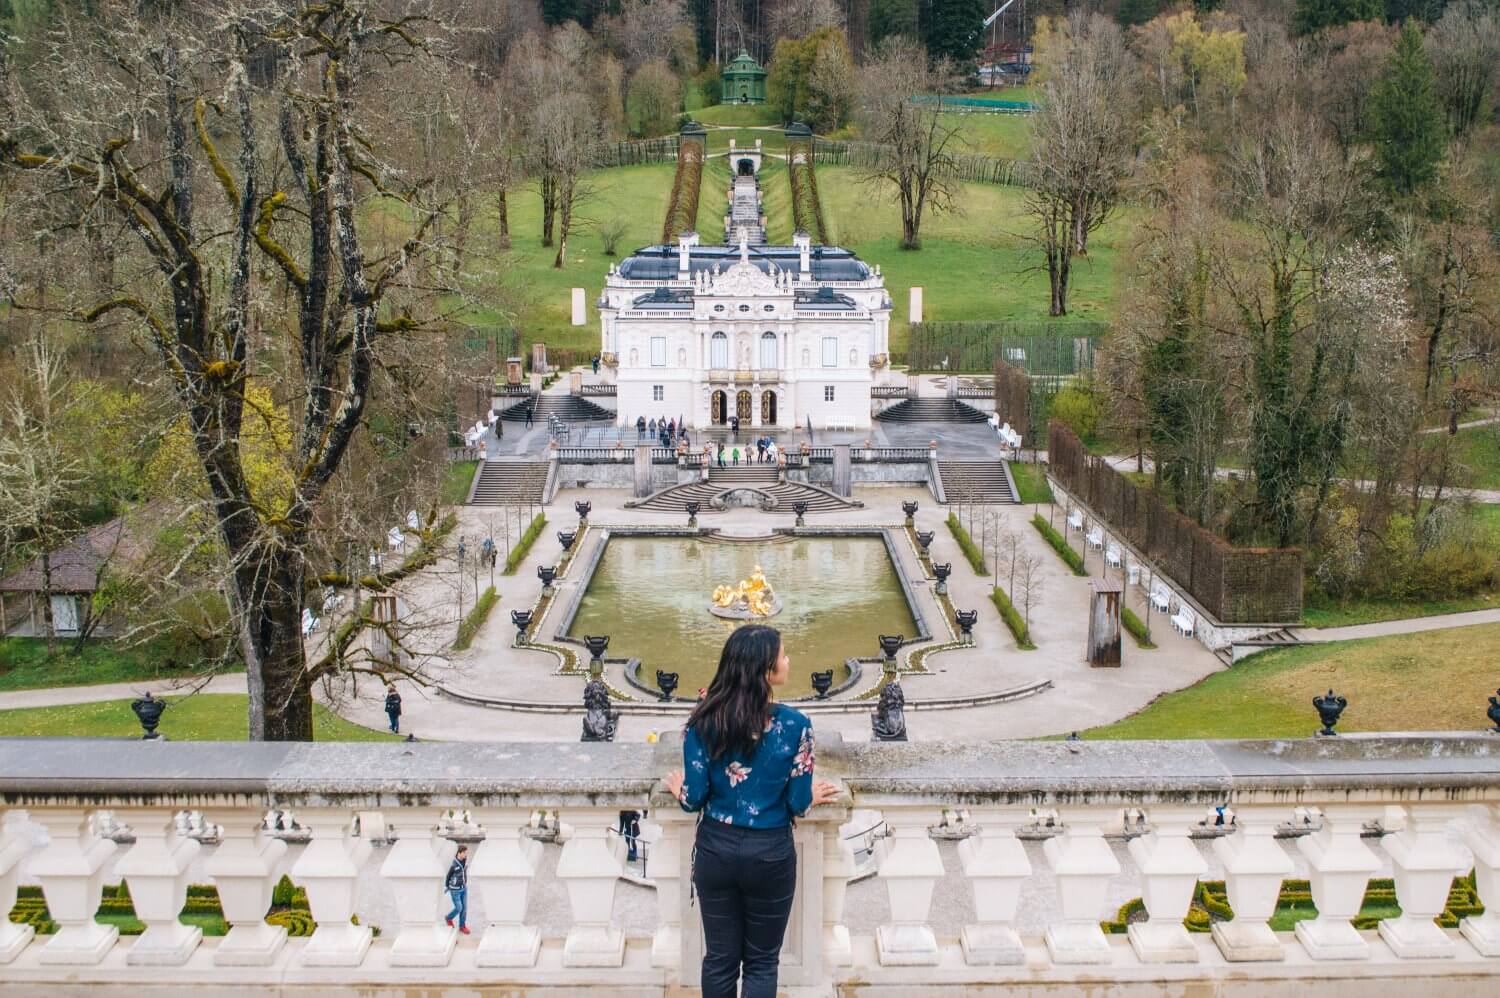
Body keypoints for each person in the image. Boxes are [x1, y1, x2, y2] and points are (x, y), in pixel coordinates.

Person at [663, 626, 838, 998]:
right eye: (783, 655)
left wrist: (679, 789)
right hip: (770, 853)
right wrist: (812, 796)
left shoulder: (703, 721)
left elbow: (694, 798)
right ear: (766, 671)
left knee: (720, 959)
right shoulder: (796, 725)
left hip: (716, 850)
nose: (788, 661)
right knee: (761, 962)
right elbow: (797, 803)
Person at [444, 845, 470, 934]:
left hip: (463, 888)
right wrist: (447, 886)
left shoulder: (465, 861)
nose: (466, 855)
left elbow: (464, 872)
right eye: (465, 853)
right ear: (459, 853)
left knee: (464, 909)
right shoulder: (454, 865)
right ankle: (449, 918)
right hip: (455, 890)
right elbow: (448, 876)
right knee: (459, 908)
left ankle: (462, 926)